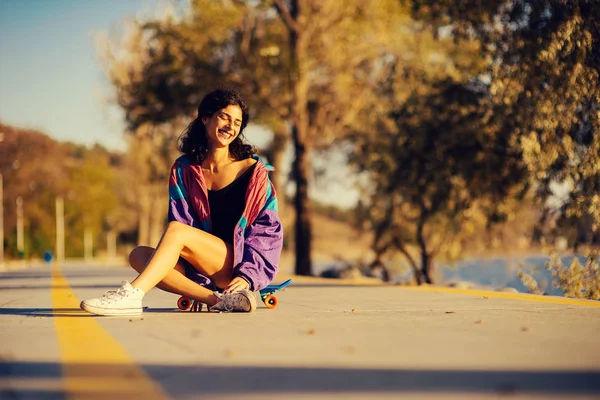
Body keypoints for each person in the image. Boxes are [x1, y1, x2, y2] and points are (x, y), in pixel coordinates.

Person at [80, 88, 283, 315]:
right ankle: (218, 300)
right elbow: (181, 222)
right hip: (199, 269)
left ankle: (132, 295)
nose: (230, 126)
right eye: (224, 117)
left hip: (234, 266)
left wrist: (248, 276)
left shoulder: (254, 173)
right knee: (138, 255)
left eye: (237, 122)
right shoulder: (184, 169)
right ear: (205, 118)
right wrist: (195, 279)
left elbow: (267, 233)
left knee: (178, 231)